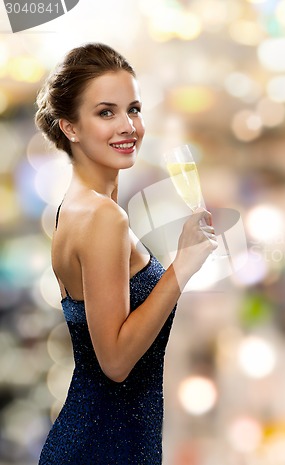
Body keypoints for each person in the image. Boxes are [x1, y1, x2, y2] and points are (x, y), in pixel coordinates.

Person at [35, 42, 217, 464]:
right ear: (70, 128)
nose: (127, 126)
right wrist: (181, 268)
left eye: (133, 109)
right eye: (105, 112)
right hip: (104, 447)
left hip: (103, 438)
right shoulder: (103, 218)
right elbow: (115, 362)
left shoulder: (77, 206)